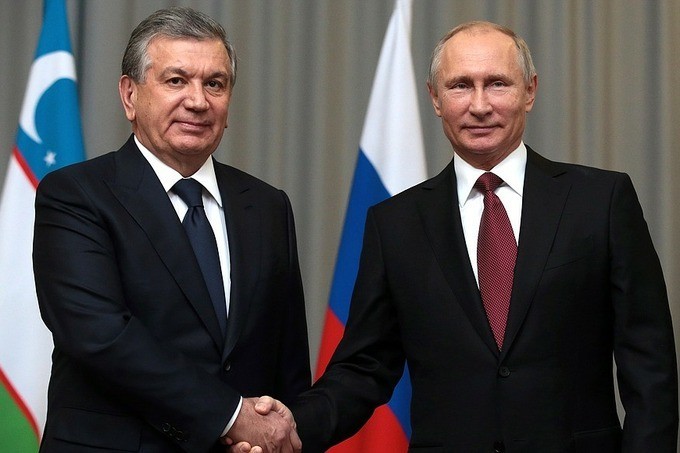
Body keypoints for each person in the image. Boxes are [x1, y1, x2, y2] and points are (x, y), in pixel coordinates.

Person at [246, 21, 679, 452]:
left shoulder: (600, 201)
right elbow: (365, 366)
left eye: (497, 84)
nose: (479, 105)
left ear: (530, 91)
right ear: (435, 98)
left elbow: (650, 367)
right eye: (460, 86)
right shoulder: (395, 224)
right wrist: (294, 427)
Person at [33, 7, 309, 452]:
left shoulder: (267, 205)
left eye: (214, 84)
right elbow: (100, 336)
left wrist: (280, 435)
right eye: (176, 80)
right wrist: (231, 417)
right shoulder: (76, 195)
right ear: (130, 95)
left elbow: (287, 358)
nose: (198, 101)